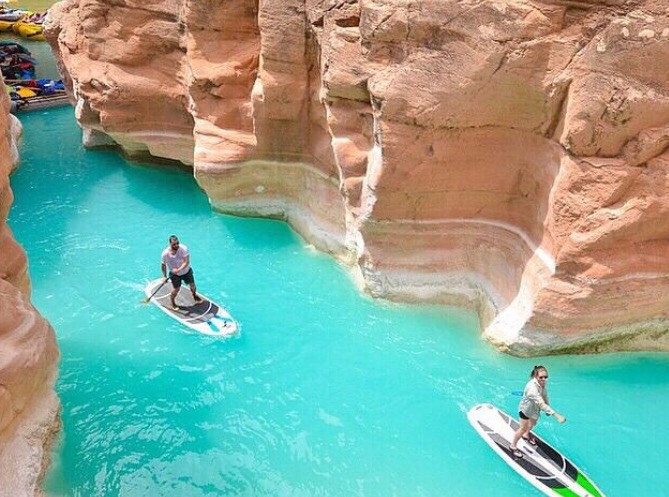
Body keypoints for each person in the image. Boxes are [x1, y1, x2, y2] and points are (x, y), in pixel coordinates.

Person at [509, 365, 566, 458]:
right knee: (523, 428)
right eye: (541, 377)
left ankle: (526, 435)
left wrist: (548, 407)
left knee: (533, 424)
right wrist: (556, 415)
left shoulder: (542, 384)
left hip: (535, 410)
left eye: (546, 377)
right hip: (525, 411)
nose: (544, 379)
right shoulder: (532, 388)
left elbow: (545, 396)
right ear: (536, 376)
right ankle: (513, 446)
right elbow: (541, 404)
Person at [160, 235, 203, 309]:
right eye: (174, 244)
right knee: (176, 289)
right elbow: (163, 265)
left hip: (187, 272)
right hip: (175, 275)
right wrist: (164, 276)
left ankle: (194, 295)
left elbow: (186, 262)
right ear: (170, 244)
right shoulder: (165, 254)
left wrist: (178, 270)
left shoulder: (184, 249)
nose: (176, 245)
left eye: (177, 243)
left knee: (193, 286)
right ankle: (172, 302)